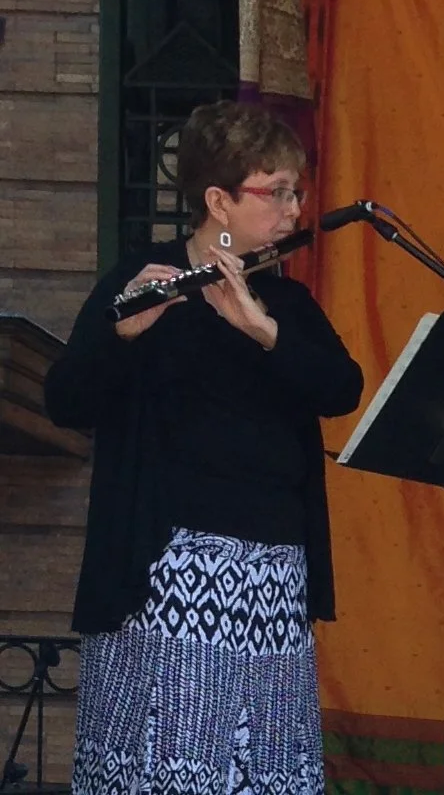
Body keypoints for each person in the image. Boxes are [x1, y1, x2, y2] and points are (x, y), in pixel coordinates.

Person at [45, 101, 364, 795]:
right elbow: (67, 402)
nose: (292, 208)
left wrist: (261, 327)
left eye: (296, 191)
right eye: (275, 190)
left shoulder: (288, 303)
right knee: (171, 766)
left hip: (273, 576)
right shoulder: (143, 282)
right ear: (219, 200)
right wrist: (122, 335)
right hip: (167, 573)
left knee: (260, 773)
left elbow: (342, 389)